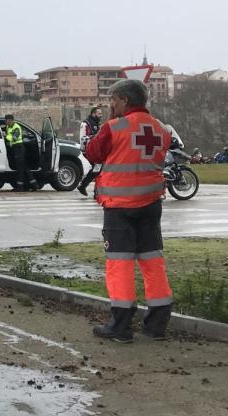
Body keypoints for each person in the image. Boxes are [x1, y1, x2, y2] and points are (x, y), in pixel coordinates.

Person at [85, 79, 172, 343]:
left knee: (120, 263)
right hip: (150, 204)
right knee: (152, 261)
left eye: (114, 99)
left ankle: (121, 326)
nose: (111, 104)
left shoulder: (115, 126)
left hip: (120, 207)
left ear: (124, 99)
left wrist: (109, 123)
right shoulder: (161, 129)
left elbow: (93, 153)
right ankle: (157, 324)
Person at [4, 114, 38, 191]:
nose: (6, 122)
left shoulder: (16, 127)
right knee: (24, 167)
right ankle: (34, 185)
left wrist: (5, 136)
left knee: (20, 168)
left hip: (19, 148)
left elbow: (14, 138)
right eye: (5, 120)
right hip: (15, 148)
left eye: (7, 120)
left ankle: (20, 187)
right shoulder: (8, 127)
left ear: (11, 120)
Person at [77, 107, 104, 196]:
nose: (101, 115)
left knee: (98, 169)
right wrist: (97, 136)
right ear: (93, 113)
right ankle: (88, 188)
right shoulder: (85, 123)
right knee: (98, 168)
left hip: (95, 150)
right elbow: (83, 138)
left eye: (101, 113)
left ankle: (85, 186)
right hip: (88, 150)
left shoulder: (97, 124)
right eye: (99, 113)